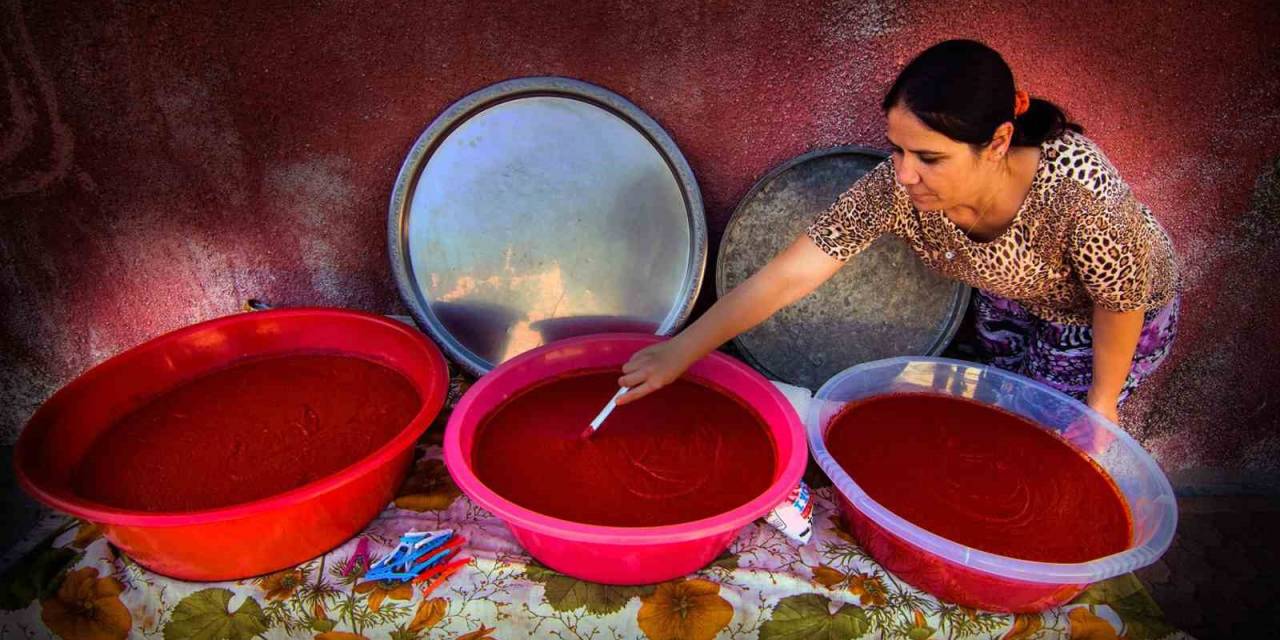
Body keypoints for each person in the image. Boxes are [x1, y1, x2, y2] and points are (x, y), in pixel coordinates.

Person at [617, 39, 1179, 425]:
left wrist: (1102, 405)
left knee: (1048, 428)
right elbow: (795, 272)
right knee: (984, 404)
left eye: (929, 157)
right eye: (897, 149)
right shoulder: (896, 187)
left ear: (1000, 141)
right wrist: (681, 351)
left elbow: (1119, 301)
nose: (904, 174)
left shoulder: (1081, 195)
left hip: (1107, 317)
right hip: (1015, 294)